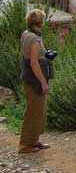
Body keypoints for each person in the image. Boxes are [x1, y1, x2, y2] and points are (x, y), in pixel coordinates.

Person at [19, 9, 51, 154]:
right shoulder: (35, 39)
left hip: (28, 76)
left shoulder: (26, 34)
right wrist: (43, 82)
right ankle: (26, 144)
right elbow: (34, 62)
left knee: (37, 110)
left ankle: (33, 140)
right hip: (34, 79)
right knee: (34, 111)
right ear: (41, 22)